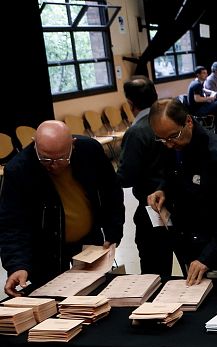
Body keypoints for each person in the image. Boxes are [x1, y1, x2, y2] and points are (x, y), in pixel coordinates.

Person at [1, 121, 124, 296]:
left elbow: (111, 192)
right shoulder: (19, 170)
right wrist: (17, 265)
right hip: (44, 249)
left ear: (73, 144)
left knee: (95, 295)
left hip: (89, 245)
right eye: (45, 158)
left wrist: (113, 231)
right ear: (34, 143)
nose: (54, 165)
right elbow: (11, 224)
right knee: (54, 301)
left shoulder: (90, 151)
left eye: (61, 158)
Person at [148, 98, 217, 285]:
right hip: (188, 245)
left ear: (189, 122)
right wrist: (162, 190)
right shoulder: (171, 145)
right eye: (162, 139)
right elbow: (170, 175)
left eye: (172, 137)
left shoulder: (216, 153)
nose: (168, 144)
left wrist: (207, 258)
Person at [116, 76, 172, 277]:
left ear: (130, 104)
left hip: (152, 208)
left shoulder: (137, 132)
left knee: (154, 270)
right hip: (180, 202)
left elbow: (126, 177)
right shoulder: (171, 121)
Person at [187, 66, 217, 136]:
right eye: (203, 73)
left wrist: (211, 93)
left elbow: (203, 90)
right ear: (198, 75)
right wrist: (210, 98)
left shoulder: (195, 82)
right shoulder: (197, 84)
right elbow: (197, 99)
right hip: (198, 110)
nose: (206, 74)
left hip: (197, 107)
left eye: (206, 73)